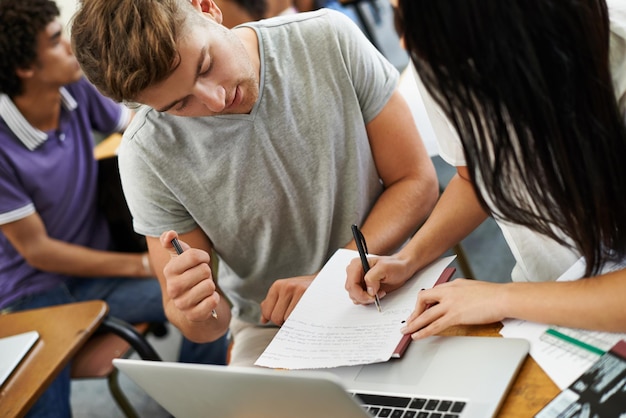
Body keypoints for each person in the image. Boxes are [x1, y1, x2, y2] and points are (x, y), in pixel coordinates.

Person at [70, 0, 438, 366]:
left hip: (386, 279)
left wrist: (328, 280)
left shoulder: (326, 38)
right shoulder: (147, 153)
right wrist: (194, 311)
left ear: (207, 8)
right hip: (272, 326)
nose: (214, 101)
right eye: (180, 105)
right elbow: (208, 328)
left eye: (206, 66)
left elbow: (416, 182)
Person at [346, 0, 626, 338]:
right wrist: (410, 258)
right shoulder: (438, 46)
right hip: (543, 306)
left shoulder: (615, 52)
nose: (404, 42)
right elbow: (476, 178)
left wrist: (501, 297)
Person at [0, 1, 228, 416]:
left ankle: (205, 405)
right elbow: (39, 252)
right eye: (55, 40)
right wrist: (144, 266)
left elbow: (148, 128)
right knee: (34, 400)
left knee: (209, 292)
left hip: (100, 270)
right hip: (36, 292)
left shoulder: (74, 88)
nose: (71, 47)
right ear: (25, 68)